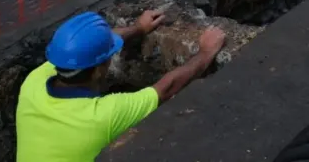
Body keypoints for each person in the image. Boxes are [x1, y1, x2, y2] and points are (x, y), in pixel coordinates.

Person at [16, 10, 226, 162]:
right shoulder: (102, 116)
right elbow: (166, 88)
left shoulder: (33, 82)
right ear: (99, 70)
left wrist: (139, 28)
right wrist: (205, 53)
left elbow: (86, 50)